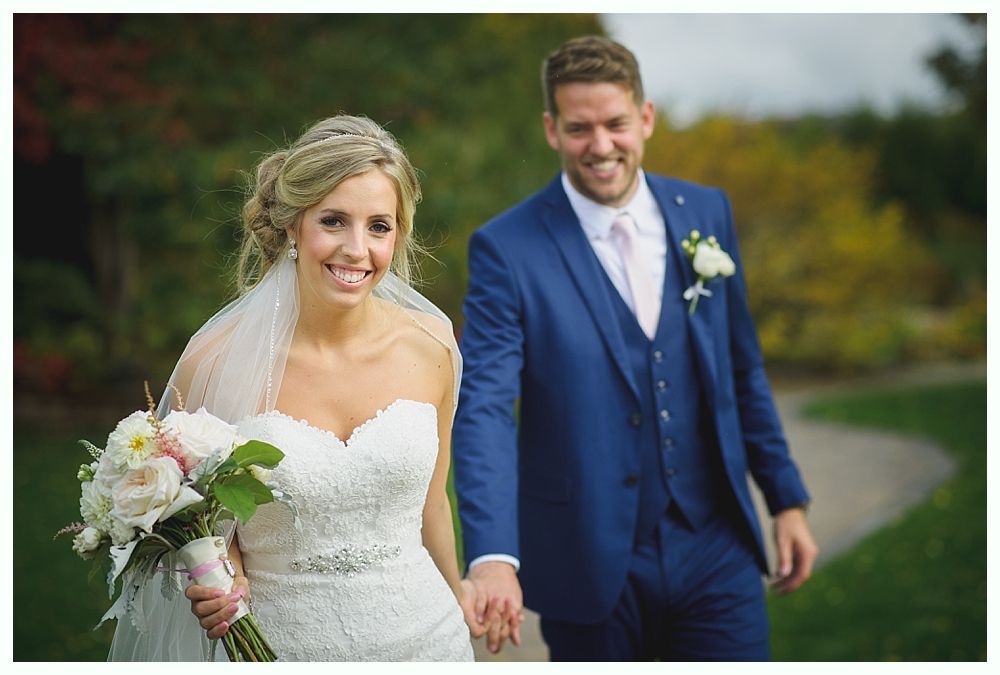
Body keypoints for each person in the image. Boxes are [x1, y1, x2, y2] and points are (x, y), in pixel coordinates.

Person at [452, 36, 818, 661]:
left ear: (644, 118)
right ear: (551, 128)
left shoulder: (705, 210)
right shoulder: (506, 248)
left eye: (616, 123)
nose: (600, 146)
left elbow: (741, 366)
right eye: (579, 128)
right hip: (586, 558)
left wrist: (786, 499)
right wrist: (492, 556)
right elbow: (483, 404)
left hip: (716, 546)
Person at [107, 115, 477, 661]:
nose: (357, 249)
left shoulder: (433, 345)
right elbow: (200, 517)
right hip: (288, 646)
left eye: (379, 226)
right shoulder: (217, 362)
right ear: (291, 226)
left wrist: (460, 595)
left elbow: (432, 503)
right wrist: (220, 576)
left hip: (430, 642)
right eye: (333, 221)